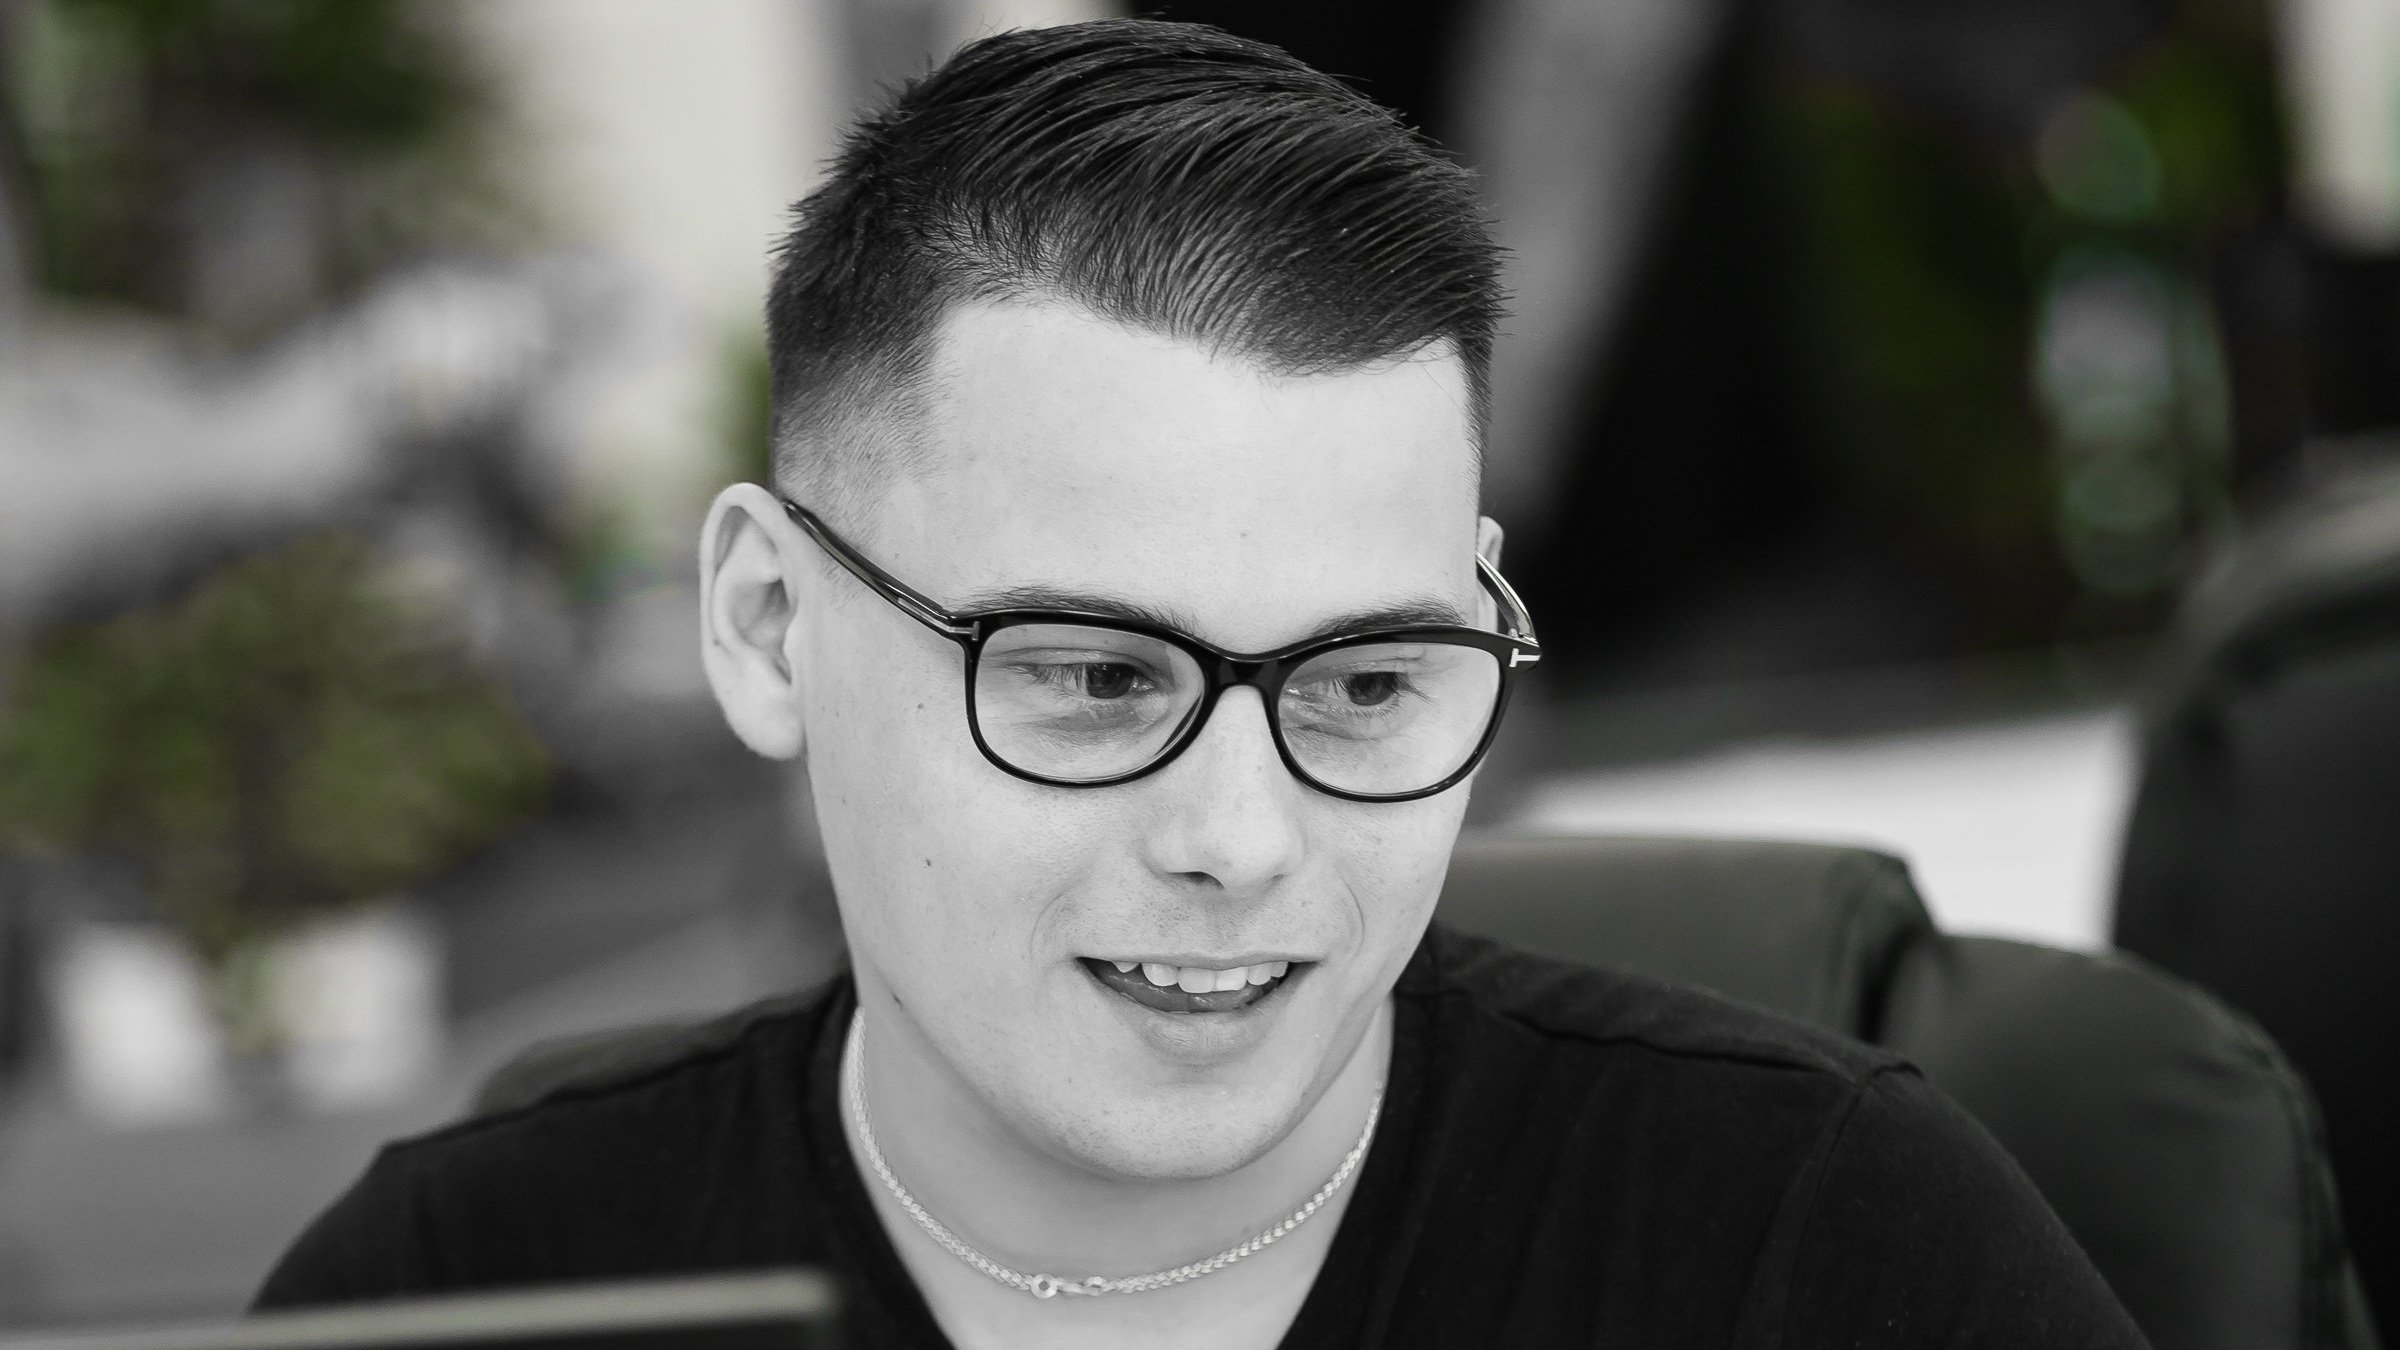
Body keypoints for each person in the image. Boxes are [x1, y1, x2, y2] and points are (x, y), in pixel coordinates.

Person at [257, 20, 2148, 1349]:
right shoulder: (458, 1285)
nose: (1243, 840)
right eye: (1087, 676)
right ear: (767, 624)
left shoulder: (1830, 1248)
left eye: (1367, 682)